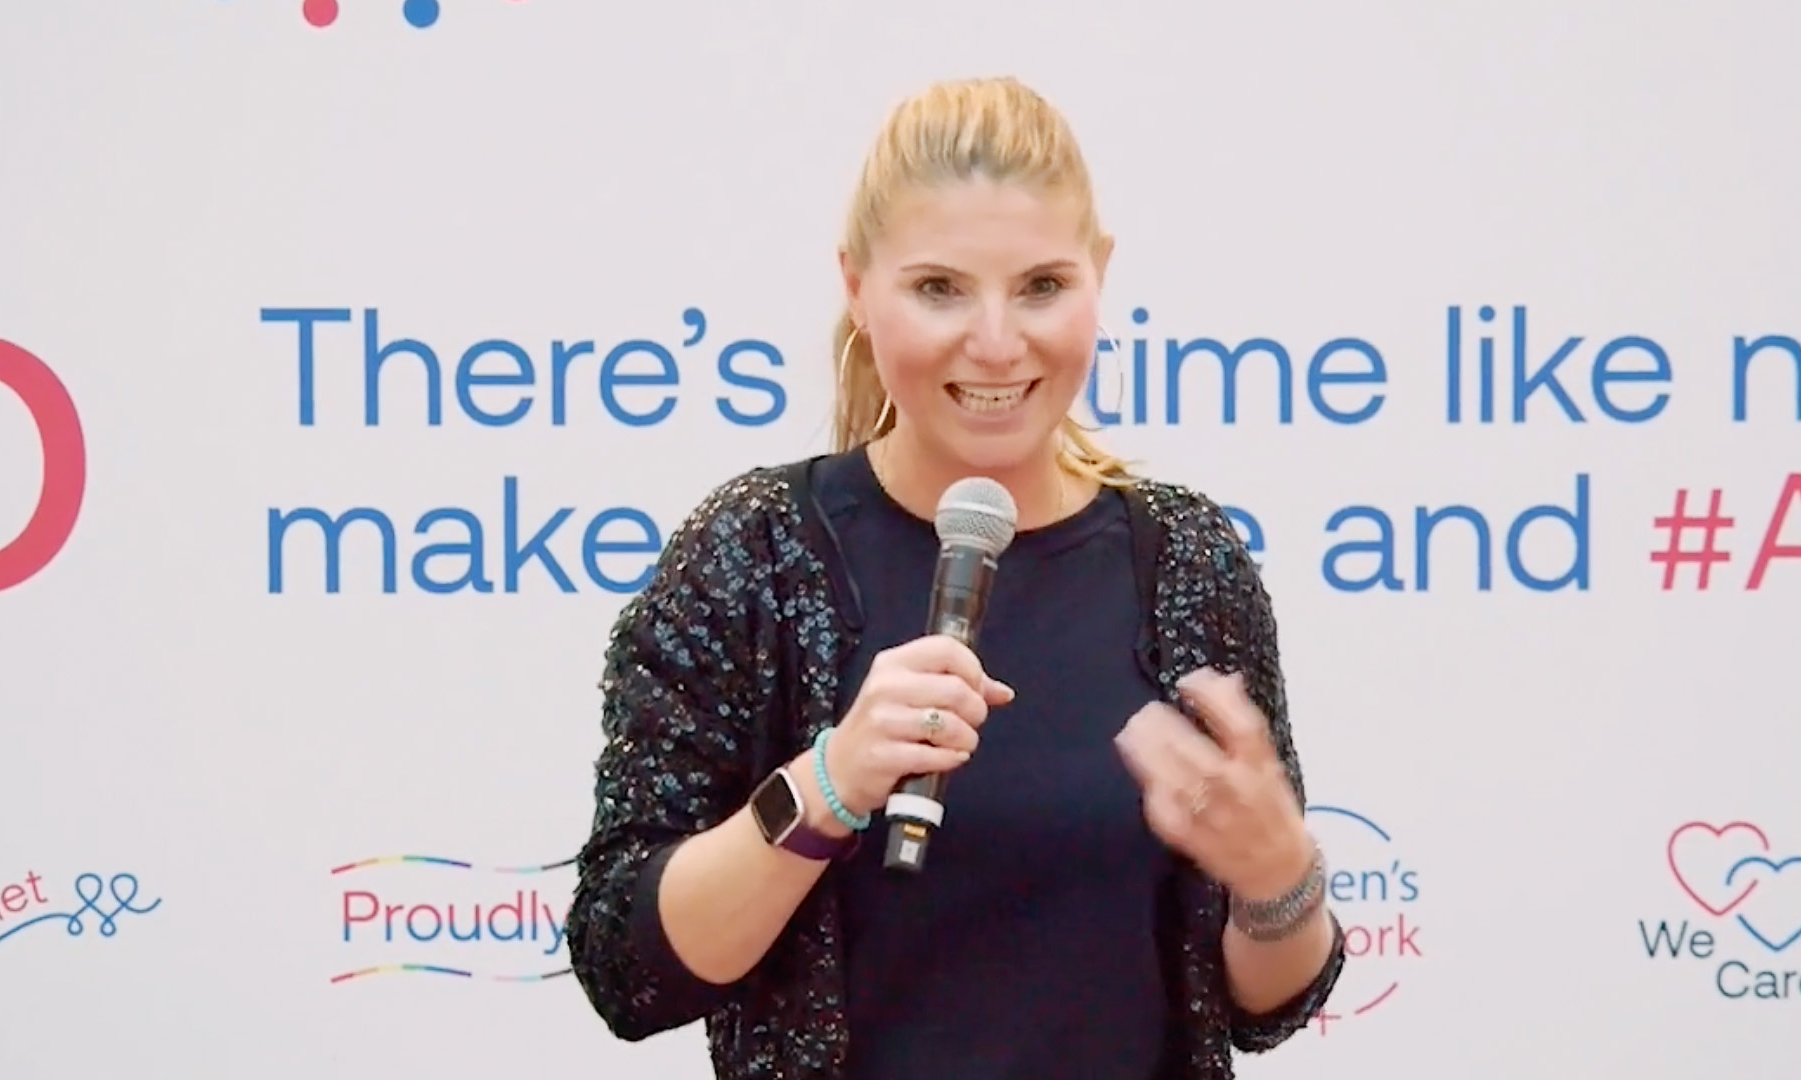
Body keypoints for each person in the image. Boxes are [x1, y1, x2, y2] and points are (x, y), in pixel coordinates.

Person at [565, 75, 1346, 1080]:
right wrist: (827, 785)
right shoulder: (754, 553)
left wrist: (1280, 882)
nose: (996, 343)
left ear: (1100, 274)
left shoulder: (1187, 562)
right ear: (857, 287)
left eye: (1042, 286)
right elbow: (627, 969)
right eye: (939, 289)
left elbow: (1263, 1006)